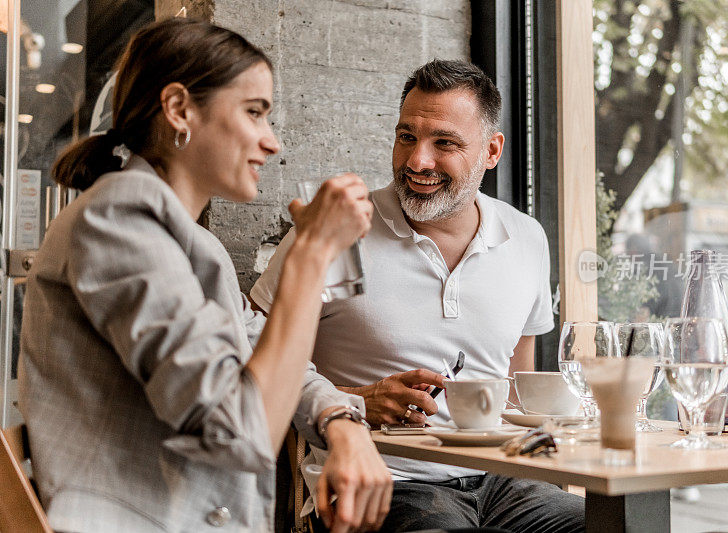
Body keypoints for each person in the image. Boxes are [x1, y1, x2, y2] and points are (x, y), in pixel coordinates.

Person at [18, 18, 393, 533]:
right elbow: (241, 432)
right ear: (179, 110)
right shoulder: (118, 219)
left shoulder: (190, 241)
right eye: (255, 113)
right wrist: (311, 254)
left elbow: (261, 350)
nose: (273, 142)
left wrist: (342, 422)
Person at [250, 60, 585, 532]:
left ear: (492, 151)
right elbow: (251, 366)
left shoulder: (526, 237)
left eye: (443, 142)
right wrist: (358, 400)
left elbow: (518, 388)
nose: (416, 161)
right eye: (406, 136)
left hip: (505, 479)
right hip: (386, 479)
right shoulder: (333, 229)